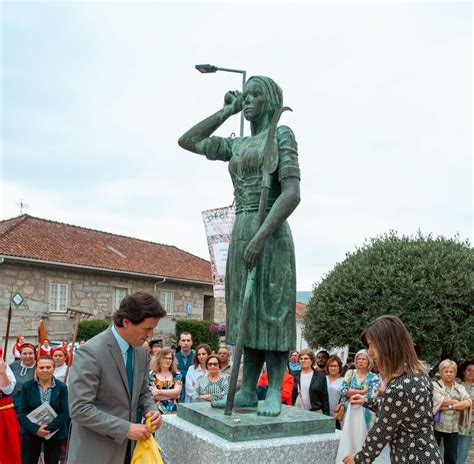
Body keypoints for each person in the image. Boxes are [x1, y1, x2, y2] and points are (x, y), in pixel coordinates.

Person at [179, 75, 301, 417]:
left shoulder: (281, 135)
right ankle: (247, 389)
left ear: (271, 100)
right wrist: (226, 110)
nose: (247, 100)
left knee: (272, 313)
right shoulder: (237, 144)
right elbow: (188, 140)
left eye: (254, 95)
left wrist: (262, 236)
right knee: (244, 314)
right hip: (242, 226)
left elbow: (292, 193)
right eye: (244, 96)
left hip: (272, 233)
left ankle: (274, 388)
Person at [67, 291, 165, 463]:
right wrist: (126, 429)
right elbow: (80, 409)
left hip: (131, 451)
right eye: (147, 328)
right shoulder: (91, 352)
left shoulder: (141, 352)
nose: (151, 335)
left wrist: (151, 409)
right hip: (95, 454)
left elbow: (143, 391)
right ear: (126, 322)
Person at [342, 315, 443, 464]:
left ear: (387, 344)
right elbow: (398, 409)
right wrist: (366, 401)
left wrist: (359, 458)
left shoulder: (399, 386)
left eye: (371, 345)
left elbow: (383, 429)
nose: (369, 352)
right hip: (428, 455)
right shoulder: (418, 374)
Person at [18, 355, 69, 464]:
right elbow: (22, 412)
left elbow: (64, 413)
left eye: (48, 367)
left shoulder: (62, 387)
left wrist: (47, 429)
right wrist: (36, 429)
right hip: (31, 433)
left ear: (53, 369)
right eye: (41, 367)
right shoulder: (27, 386)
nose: (45, 370)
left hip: (55, 433)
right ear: (36, 369)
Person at [432, 359, 471, 464]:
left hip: (453, 428)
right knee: (433, 456)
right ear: (441, 372)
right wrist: (457, 402)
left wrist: (449, 406)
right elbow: (439, 400)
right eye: (446, 371)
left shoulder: (459, 387)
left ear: (455, 373)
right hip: (436, 427)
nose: (449, 374)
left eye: (451, 371)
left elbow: (468, 402)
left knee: (451, 457)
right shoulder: (435, 386)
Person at [341, 349, 380, 429]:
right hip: (349, 411)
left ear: (369, 361)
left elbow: (372, 395)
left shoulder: (374, 377)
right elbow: (343, 391)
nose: (361, 361)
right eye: (359, 359)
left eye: (364, 359)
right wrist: (363, 391)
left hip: (367, 412)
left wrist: (351, 392)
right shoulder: (350, 373)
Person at [291, 348, 329, 415]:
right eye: (301, 359)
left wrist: (326, 415)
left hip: (315, 412)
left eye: (306, 358)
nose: (303, 360)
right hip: (296, 411)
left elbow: (324, 398)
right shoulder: (293, 375)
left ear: (311, 360)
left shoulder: (321, 376)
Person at [0, 356, 22, 464]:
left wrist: (2, 372)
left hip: (3, 413)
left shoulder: (2, 365)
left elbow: (8, 390)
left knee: (6, 450)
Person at [148, 348, 183, 414]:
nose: (168, 360)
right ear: (159, 360)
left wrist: (158, 392)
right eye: (165, 358)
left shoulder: (177, 374)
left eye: (170, 358)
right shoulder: (151, 375)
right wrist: (173, 395)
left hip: (174, 412)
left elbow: (177, 392)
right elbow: (153, 395)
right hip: (156, 411)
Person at [9, 342, 37, 409]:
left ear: (34, 354)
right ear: (20, 355)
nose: (27, 356)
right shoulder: (14, 365)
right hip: (13, 401)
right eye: (24, 354)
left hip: (30, 403)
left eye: (30, 353)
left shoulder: (38, 367)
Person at [458, 360, 474, 464]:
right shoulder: (456, 385)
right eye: (469, 370)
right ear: (464, 371)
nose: (471, 372)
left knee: (463, 448)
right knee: (448, 448)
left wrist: (463, 403)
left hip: (469, 424)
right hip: (453, 422)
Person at [326, 355, 344, 428]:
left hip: (336, 415)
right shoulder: (323, 379)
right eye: (331, 366)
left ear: (339, 367)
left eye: (335, 366)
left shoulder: (344, 381)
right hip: (322, 414)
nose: (333, 368)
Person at [176, 332, 194, 402]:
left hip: (192, 392)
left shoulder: (196, 357)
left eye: (188, 340)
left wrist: (180, 372)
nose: (186, 343)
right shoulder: (173, 357)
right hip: (178, 392)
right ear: (179, 342)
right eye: (183, 340)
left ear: (191, 342)